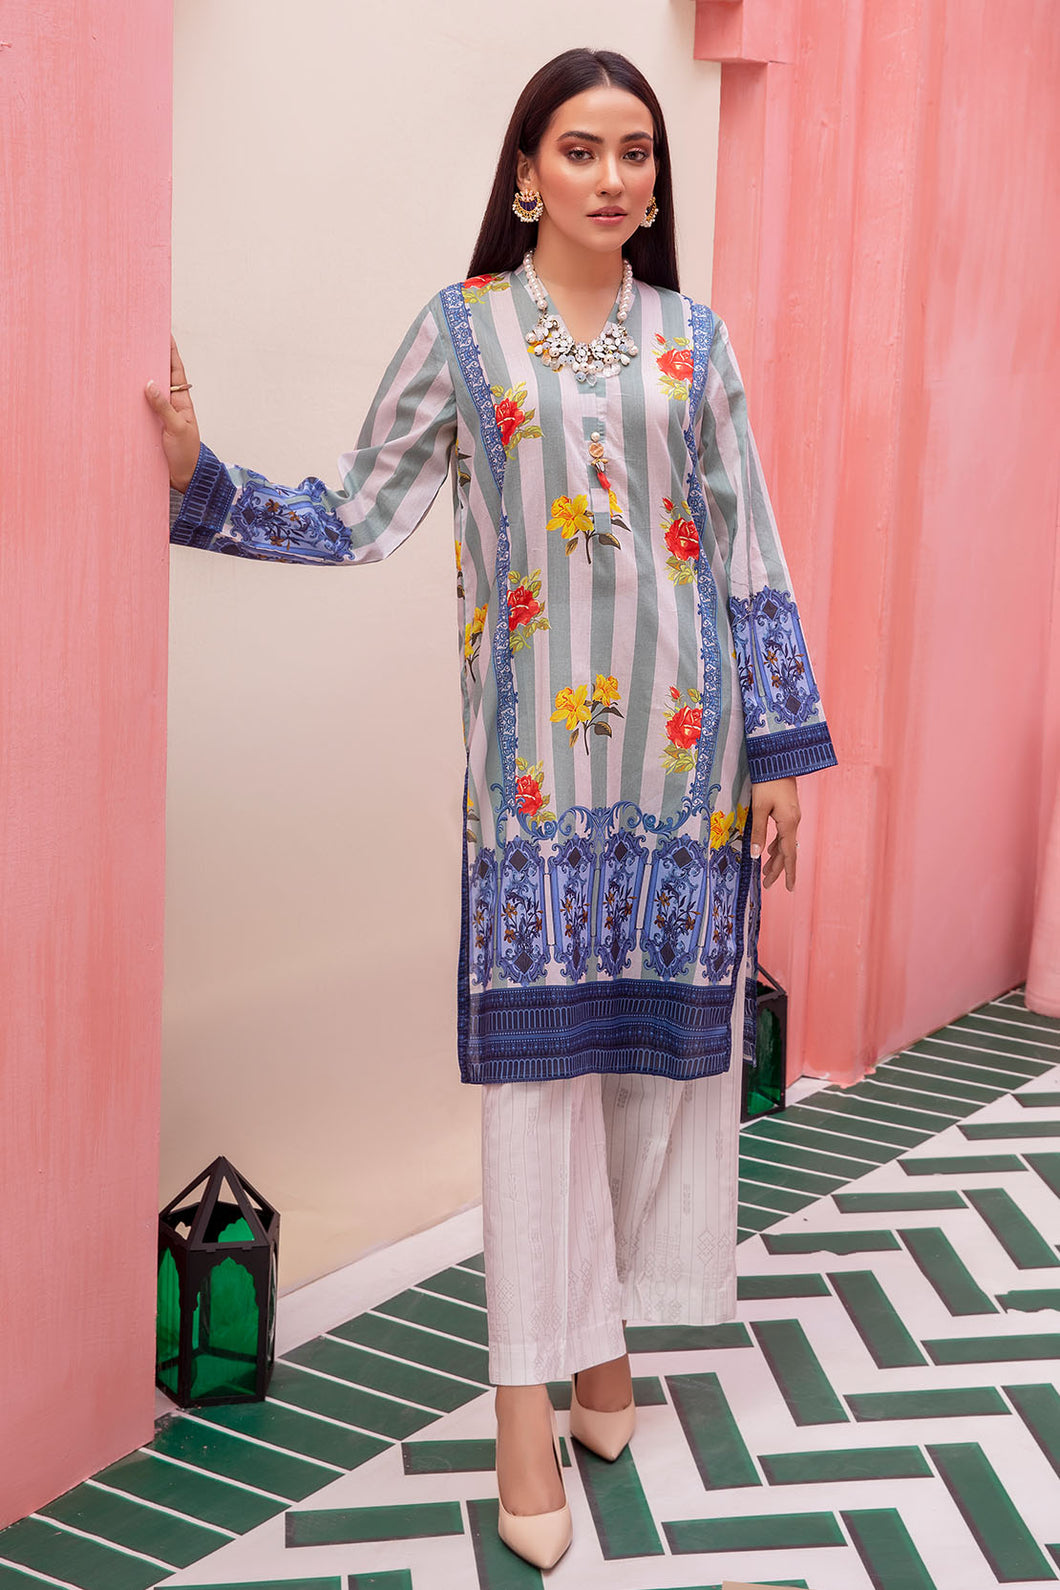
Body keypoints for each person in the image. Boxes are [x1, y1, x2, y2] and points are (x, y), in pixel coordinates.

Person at [148, 47, 837, 1571]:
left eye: (637, 153)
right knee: (536, 1090)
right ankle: (526, 1397)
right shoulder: (464, 336)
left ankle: (604, 1350)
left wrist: (781, 752)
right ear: (527, 172)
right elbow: (359, 508)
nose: (613, 177)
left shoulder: (695, 344)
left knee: (645, 1077)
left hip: (684, 774)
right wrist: (203, 476)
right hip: (535, 794)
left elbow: (749, 548)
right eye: (581, 150)